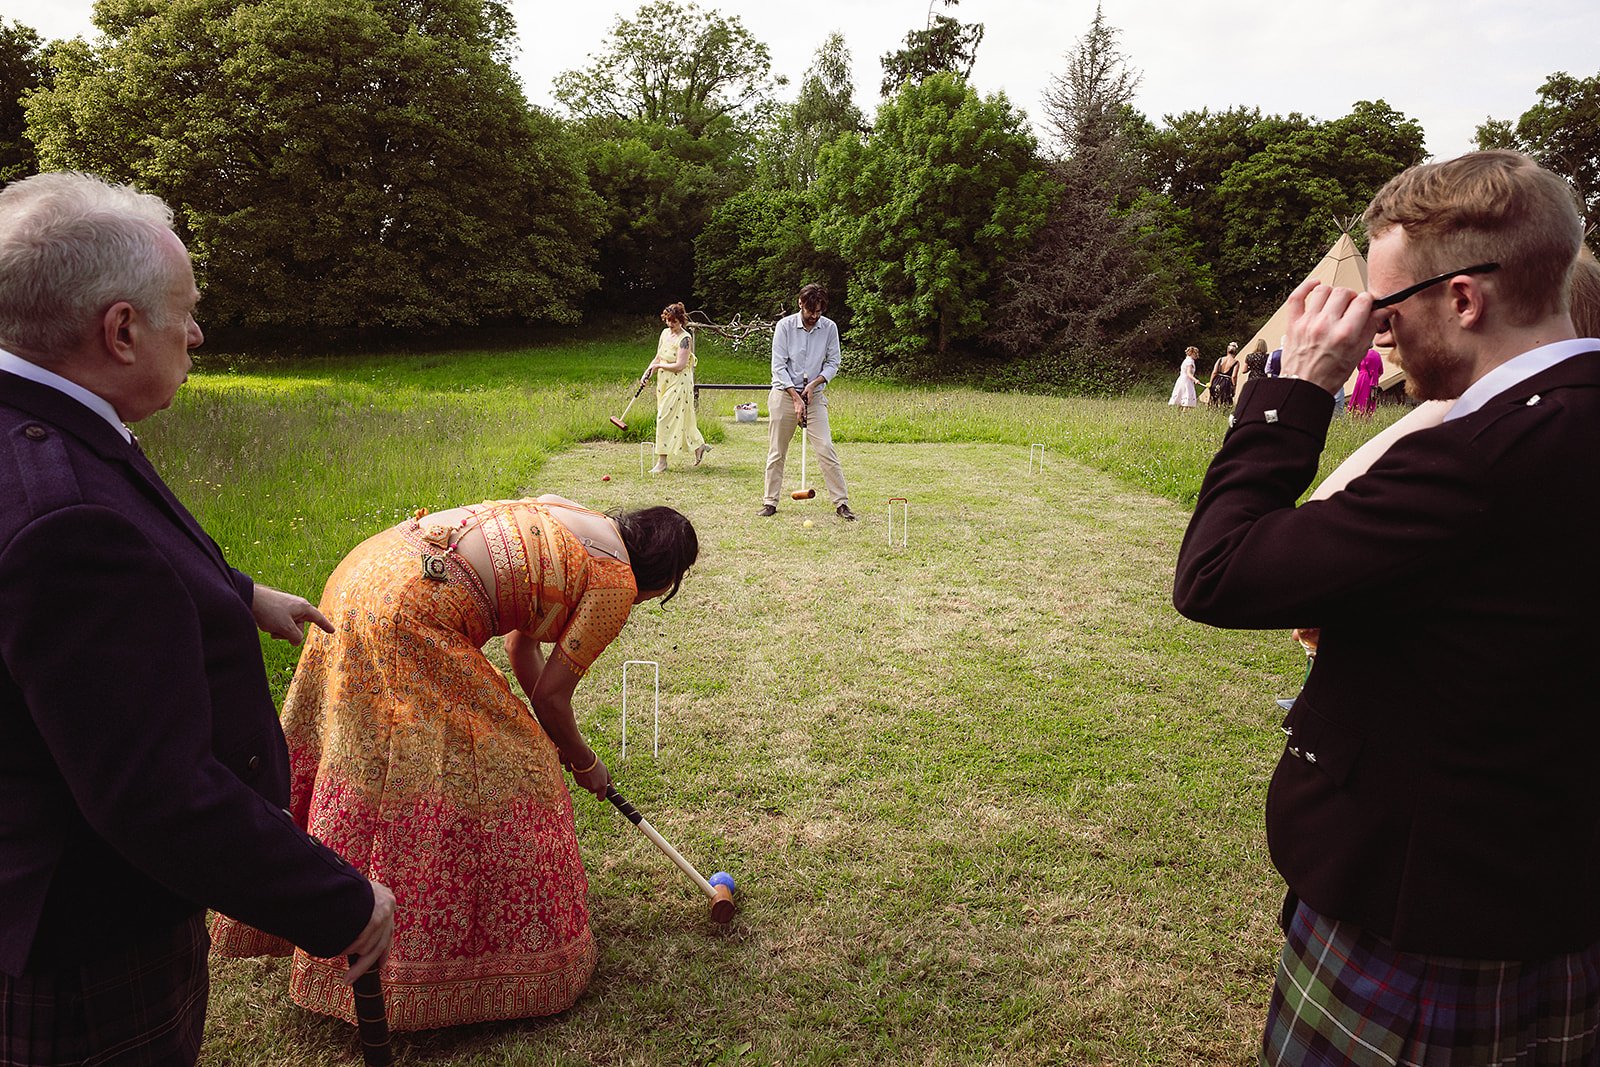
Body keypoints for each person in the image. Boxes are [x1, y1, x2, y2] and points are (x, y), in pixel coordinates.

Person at [1174, 150, 1600, 1065]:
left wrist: (1296, 391)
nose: (1377, 336)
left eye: (1385, 306)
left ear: (1465, 298)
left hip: (1428, 929)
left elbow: (1216, 572)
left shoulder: (1475, 461)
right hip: (1560, 906)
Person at [0, 172, 391, 1064]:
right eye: (187, 307)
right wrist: (340, 898)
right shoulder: (67, 514)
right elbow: (152, 791)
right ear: (121, 327)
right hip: (88, 940)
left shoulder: (45, 428)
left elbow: (125, 552)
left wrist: (238, 592)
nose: (199, 331)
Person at [212, 496, 697, 1031]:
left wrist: (555, 738)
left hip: (369, 571)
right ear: (664, 578)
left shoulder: (579, 521)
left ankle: (350, 913)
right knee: (505, 773)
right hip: (415, 608)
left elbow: (521, 648)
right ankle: (437, 951)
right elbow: (555, 696)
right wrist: (583, 762)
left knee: (374, 759)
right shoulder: (616, 585)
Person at [761, 283, 854, 520]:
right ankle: (770, 502)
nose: (814, 316)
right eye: (810, 311)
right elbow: (778, 366)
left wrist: (813, 385)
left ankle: (841, 503)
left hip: (814, 395)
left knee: (825, 447)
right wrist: (795, 396)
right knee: (777, 451)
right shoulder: (785, 327)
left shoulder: (829, 328)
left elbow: (833, 362)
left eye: (819, 312)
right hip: (784, 394)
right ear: (800, 304)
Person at [643, 301, 707, 473]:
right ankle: (699, 445)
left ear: (681, 320)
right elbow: (658, 357)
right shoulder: (664, 333)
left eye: (674, 321)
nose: (670, 325)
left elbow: (680, 365)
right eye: (668, 321)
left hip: (680, 381)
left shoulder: (685, 338)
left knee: (664, 417)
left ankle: (662, 462)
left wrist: (659, 367)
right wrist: (648, 371)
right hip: (665, 381)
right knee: (680, 417)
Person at [1349, 341, 1384, 414]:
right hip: (1374, 380)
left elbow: (1359, 367)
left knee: (1359, 398)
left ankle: (1358, 415)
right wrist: (1374, 378)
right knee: (1370, 398)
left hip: (1362, 378)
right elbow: (1381, 371)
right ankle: (1368, 416)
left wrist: (1363, 371)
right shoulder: (1377, 355)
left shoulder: (1362, 354)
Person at [1205, 341, 1239, 406]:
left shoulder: (1220, 359)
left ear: (1227, 351)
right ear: (1235, 352)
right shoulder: (1236, 362)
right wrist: (1234, 386)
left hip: (1217, 381)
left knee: (1213, 400)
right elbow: (1234, 376)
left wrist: (1211, 383)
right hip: (1226, 383)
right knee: (1225, 402)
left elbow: (1214, 372)